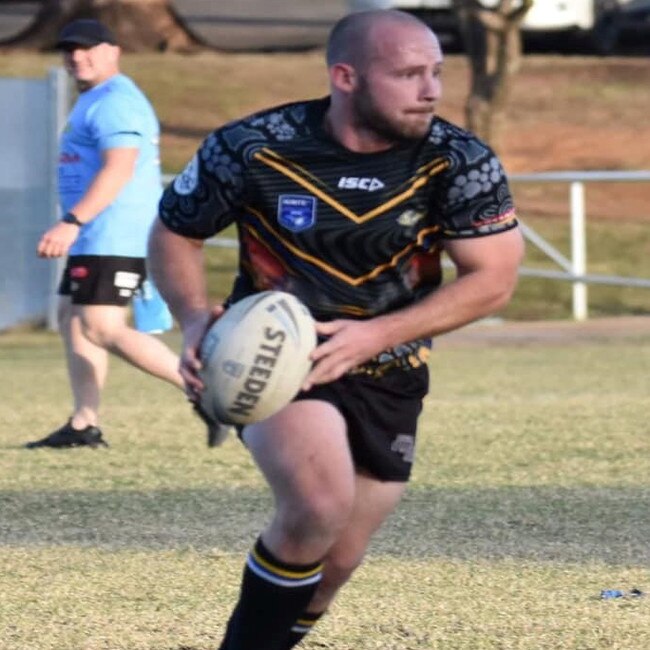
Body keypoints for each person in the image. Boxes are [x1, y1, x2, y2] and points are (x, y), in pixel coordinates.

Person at [148, 9, 525, 649]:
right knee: (318, 505)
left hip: (390, 372)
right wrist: (192, 318)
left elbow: (493, 277)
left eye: (435, 71)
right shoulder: (253, 146)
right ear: (346, 76)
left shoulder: (457, 160)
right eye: (408, 74)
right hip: (278, 361)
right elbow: (174, 233)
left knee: (336, 562)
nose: (430, 89)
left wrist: (375, 336)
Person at [26, 19, 227, 449]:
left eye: (87, 48)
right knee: (71, 317)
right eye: (69, 50)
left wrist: (72, 221)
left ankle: (206, 393)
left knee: (99, 326)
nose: (77, 57)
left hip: (114, 233)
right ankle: (84, 423)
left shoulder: (116, 102)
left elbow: (120, 169)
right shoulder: (97, 99)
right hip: (98, 234)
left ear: (113, 50)